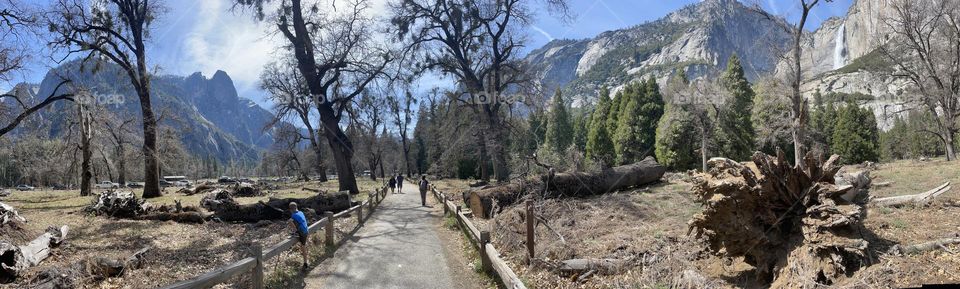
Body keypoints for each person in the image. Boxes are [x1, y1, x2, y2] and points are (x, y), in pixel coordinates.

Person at [288, 202, 310, 269]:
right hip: (306, 230)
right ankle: (305, 262)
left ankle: (296, 232)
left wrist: (295, 230)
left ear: (290, 210)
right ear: (296, 207)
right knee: (303, 247)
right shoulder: (301, 212)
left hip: (302, 232)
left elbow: (291, 222)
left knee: (290, 221)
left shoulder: (293, 215)